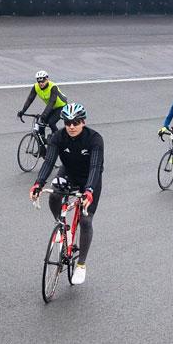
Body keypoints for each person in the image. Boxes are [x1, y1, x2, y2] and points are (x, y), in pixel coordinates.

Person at [30, 103, 103, 285]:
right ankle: (62, 227)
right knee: (54, 194)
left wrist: (89, 192)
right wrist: (38, 184)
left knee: (86, 220)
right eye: (68, 122)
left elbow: (95, 167)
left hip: (89, 179)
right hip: (68, 172)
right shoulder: (58, 136)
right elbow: (48, 162)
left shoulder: (94, 139)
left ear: (83, 122)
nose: (71, 126)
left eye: (76, 122)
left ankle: (81, 264)